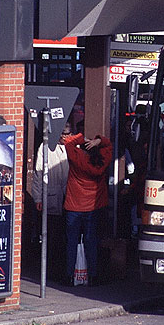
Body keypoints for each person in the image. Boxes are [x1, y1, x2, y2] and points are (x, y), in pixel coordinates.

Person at [63, 112, 113, 286]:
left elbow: (69, 144)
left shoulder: (77, 158)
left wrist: (83, 139)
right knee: (91, 241)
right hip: (93, 206)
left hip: (74, 206)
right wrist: (98, 140)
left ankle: (69, 275)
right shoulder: (101, 161)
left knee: (72, 241)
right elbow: (109, 146)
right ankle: (93, 275)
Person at [31, 117, 72, 279]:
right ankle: (50, 270)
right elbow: (38, 174)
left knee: (64, 235)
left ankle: (62, 269)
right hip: (52, 196)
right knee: (52, 235)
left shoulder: (70, 147)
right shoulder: (46, 148)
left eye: (68, 134)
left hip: (68, 197)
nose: (66, 137)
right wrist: (38, 198)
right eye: (63, 134)